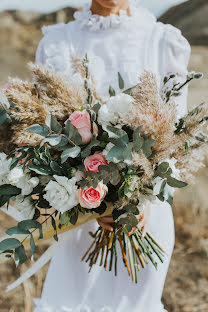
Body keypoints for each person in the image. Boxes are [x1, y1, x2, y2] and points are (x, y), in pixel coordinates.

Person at [34, 0, 191, 311]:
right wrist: (95, 202)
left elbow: (177, 137)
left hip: (146, 218)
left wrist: (138, 202)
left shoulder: (163, 41)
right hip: (77, 218)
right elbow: (43, 133)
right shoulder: (55, 43)